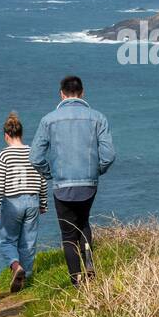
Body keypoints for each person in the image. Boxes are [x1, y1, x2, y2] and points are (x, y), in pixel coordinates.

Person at [29, 76, 115, 286]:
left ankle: (77, 281)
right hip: (88, 184)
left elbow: (35, 157)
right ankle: (89, 265)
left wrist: (50, 174)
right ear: (82, 92)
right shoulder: (98, 118)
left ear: (62, 94)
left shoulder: (48, 120)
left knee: (68, 233)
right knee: (83, 222)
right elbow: (109, 154)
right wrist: (97, 170)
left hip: (62, 184)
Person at [0, 111, 48, 292]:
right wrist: (43, 203)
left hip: (12, 201)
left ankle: (16, 267)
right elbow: (42, 179)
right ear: (21, 134)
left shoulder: (4, 155)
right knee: (28, 242)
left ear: (6, 135)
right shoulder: (33, 152)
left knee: (6, 241)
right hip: (32, 200)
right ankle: (27, 279)